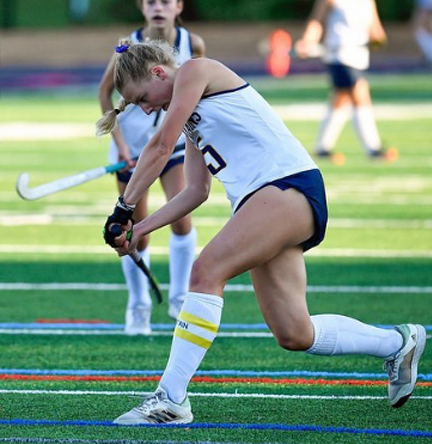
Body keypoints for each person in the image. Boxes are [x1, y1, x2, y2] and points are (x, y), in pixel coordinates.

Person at [96, 40, 426, 425]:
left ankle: (171, 399)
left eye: (142, 99)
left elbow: (159, 146)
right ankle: (398, 342)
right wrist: (140, 229)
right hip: (266, 203)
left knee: (205, 272)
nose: (147, 109)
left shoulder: (195, 70)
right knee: (295, 333)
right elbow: (195, 191)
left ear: (158, 72)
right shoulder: (189, 118)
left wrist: (124, 207)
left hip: (285, 188)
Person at [98, 0, 205, 335]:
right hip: (133, 150)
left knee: (182, 219)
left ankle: (179, 298)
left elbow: (199, 95)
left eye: (165, 1)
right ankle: (138, 304)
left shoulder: (192, 43)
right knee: (134, 231)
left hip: (172, 146)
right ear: (141, 7)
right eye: (151, 1)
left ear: (178, 6)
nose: (158, 7)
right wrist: (121, 145)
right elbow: (105, 94)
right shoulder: (126, 46)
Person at [295, 0, 397, 163]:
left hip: (359, 57)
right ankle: (373, 148)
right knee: (360, 92)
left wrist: (378, 39)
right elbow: (317, 21)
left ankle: (322, 148)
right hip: (339, 56)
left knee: (341, 99)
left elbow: (375, 29)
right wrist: (307, 42)